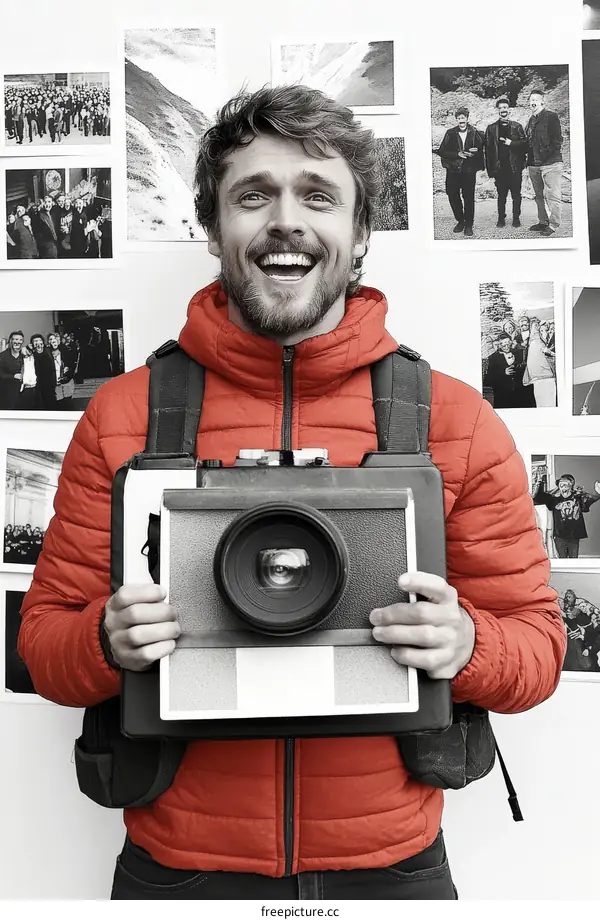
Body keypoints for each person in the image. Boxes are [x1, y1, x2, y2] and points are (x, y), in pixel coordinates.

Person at [18, 85, 565, 901]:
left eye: (318, 195)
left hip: (392, 869)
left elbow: (538, 650)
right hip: (180, 869)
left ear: (362, 231)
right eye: (253, 195)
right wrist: (106, 640)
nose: (286, 221)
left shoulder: (455, 419)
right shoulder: (123, 415)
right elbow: (41, 648)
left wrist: (466, 645)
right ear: (213, 228)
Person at [435, 106, 485, 237]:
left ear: (467, 119)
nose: (461, 120)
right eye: (458, 118)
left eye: (463, 118)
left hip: (469, 171)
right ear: (456, 120)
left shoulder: (475, 132)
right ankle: (460, 221)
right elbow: (442, 151)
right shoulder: (450, 133)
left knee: (468, 198)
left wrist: (476, 152)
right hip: (453, 170)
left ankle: (469, 225)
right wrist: (457, 154)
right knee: (452, 195)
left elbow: (483, 149)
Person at [533, 471, 600, 558]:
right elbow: (538, 497)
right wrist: (539, 482)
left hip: (574, 535)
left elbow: (590, 499)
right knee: (562, 559)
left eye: (566, 485)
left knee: (573, 559)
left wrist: (598, 494)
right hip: (559, 536)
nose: (563, 487)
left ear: (571, 486)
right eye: (561, 485)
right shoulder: (554, 499)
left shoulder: (578, 498)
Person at [484, 96, 527, 229]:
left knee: (516, 196)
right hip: (499, 169)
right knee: (501, 196)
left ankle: (516, 218)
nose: (503, 110)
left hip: (514, 168)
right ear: (497, 110)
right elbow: (488, 151)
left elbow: (525, 145)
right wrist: (490, 170)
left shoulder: (517, 126)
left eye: (505, 107)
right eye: (500, 108)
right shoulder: (491, 128)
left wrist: (511, 143)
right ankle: (501, 218)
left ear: (509, 110)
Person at [526, 89, 563, 236]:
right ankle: (543, 222)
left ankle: (553, 225)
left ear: (543, 101)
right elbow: (528, 142)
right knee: (538, 195)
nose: (532, 102)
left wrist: (546, 156)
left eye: (535, 99)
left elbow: (557, 140)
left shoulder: (551, 116)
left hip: (551, 164)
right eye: (530, 99)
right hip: (534, 165)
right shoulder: (530, 120)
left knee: (552, 195)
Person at [483, 331, 527, 408]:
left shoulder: (519, 354)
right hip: (502, 397)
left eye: (508, 344)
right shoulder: (493, 358)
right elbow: (488, 380)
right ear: (499, 345)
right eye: (503, 345)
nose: (506, 347)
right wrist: (503, 372)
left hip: (519, 396)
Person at [522, 318, 556, 407]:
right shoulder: (534, 342)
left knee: (547, 404)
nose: (543, 332)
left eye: (545, 330)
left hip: (547, 378)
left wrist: (551, 353)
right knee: (541, 404)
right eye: (540, 330)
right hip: (537, 379)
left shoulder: (544, 343)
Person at [30, 334, 57, 409]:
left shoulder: (48, 351)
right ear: (32, 344)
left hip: (49, 384)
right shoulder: (31, 355)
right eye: (35, 341)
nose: (38, 343)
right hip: (37, 386)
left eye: (39, 340)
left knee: (51, 405)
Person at [0, 331, 25, 409]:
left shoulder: (25, 356)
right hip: (6, 394)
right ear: (10, 341)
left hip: (23, 395)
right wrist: (13, 376)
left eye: (20, 340)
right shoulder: (2, 356)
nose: (18, 342)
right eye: (16, 339)